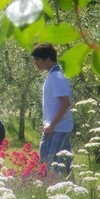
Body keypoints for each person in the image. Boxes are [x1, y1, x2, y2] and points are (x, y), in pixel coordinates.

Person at [31, 43, 74, 175]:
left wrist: (51, 126)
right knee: (64, 168)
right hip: (57, 127)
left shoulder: (56, 77)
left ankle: (49, 191)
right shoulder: (55, 74)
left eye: (38, 59)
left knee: (50, 167)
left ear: (47, 59)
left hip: (58, 129)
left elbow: (65, 102)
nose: (36, 63)